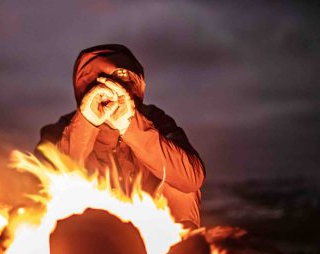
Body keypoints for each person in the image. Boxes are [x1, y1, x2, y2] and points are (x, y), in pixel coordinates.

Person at [38, 44, 205, 229]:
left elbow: (192, 178)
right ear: (87, 92)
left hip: (155, 231)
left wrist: (131, 126)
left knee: (178, 178)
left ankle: (182, 253)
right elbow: (42, 186)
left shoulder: (155, 120)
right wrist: (87, 122)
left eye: (123, 88)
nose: (114, 98)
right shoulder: (61, 130)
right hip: (91, 235)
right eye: (104, 87)